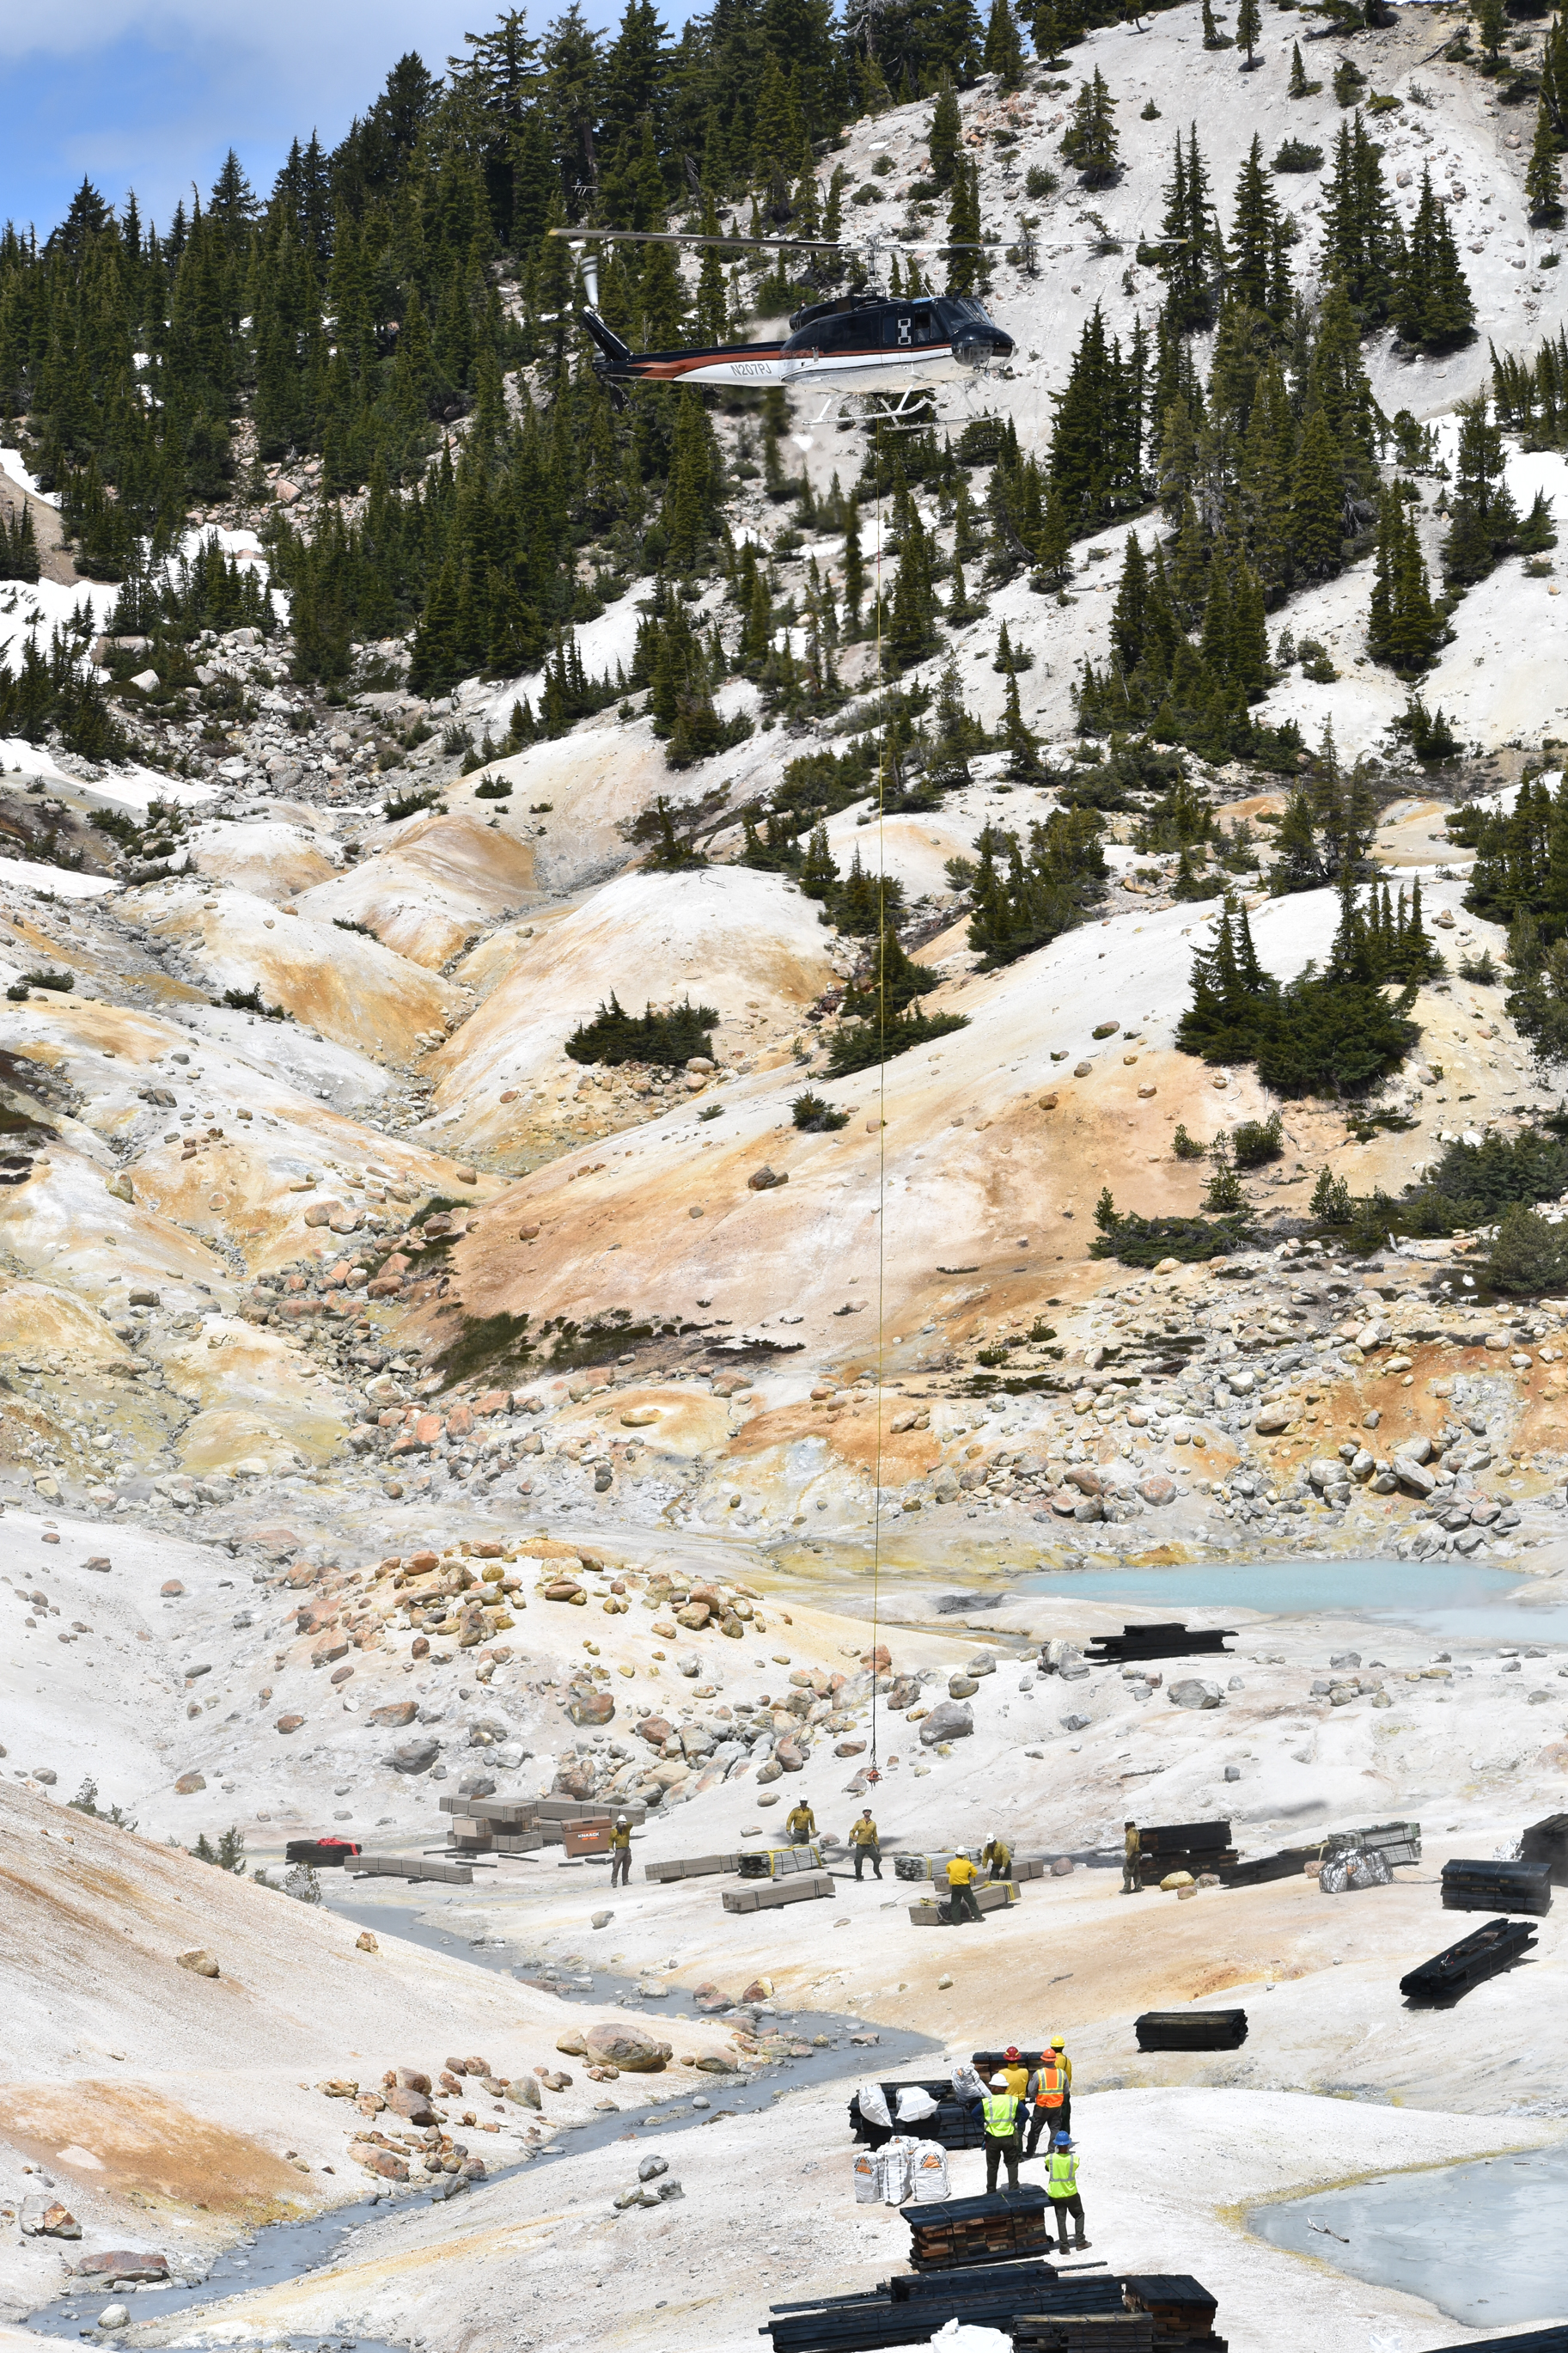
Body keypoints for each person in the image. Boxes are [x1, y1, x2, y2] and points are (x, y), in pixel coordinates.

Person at [1045, 2132, 1089, 2250]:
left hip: (1056, 2194)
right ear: (1068, 2145)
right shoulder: (1074, 2159)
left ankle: (1064, 2246)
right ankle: (1080, 2242)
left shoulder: (1050, 2158)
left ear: (1057, 2146)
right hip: (1071, 2193)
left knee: (1061, 2219)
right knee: (1079, 2215)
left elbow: (1047, 2168)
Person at [979, 2073, 1023, 2193]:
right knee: (1012, 2164)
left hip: (992, 2138)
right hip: (1008, 2137)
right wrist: (1018, 2124)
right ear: (1004, 2088)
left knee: (992, 2166)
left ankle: (991, 2190)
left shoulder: (987, 2101)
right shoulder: (1012, 2100)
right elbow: (1025, 2113)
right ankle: (1013, 2188)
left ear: (994, 2087)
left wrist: (983, 2124)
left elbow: (974, 2113)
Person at [1024, 2041, 1069, 2155]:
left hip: (1042, 2107)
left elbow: (1031, 2090)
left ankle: (1030, 2152)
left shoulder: (1039, 2074)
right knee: (1055, 2129)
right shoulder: (1062, 2073)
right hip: (1057, 2107)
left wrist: (1038, 2096)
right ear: (1054, 2060)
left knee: (1035, 2130)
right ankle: (1051, 2151)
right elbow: (1066, 2090)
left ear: (1043, 2060)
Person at [943, 1851, 984, 1925]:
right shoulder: (968, 1863)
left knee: (955, 1904)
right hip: (965, 1887)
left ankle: (957, 1921)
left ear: (956, 1855)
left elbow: (948, 1871)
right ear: (964, 1855)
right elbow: (975, 1872)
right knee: (972, 1901)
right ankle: (979, 1917)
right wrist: (969, 1875)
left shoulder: (951, 1863)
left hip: (955, 1887)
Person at [849, 1808, 882, 1879]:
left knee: (877, 1859)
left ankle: (877, 1872)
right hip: (860, 1846)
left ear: (871, 1812)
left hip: (869, 1846)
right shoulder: (859, 1822)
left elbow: (875, 1835)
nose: (867, 1812)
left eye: (869, 1811)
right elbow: (852, 1831)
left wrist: (877, 1844)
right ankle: (859, 1877)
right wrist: (850, 1839)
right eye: (866, 1811)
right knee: (858, 1862)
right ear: (863, 1812)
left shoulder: (873, 1823)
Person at [609, 1814, 632, 1888]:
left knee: (626, 1865)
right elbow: (610, 1840)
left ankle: (625, 1881)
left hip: (627, 1849)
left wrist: (624, 1824)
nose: (622, 1824)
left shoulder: (627, 1828)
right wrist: (610, 1848)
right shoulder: (614, 1831)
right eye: (621, 1822)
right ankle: (614, 1881)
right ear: (617, 1823)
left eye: (623, 1822)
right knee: (616, 1865)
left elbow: (631, 1824)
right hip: (619, 1850)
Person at [1122, 1818, 1143, 1895]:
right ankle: (1138, 1887)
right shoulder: (1134, 1830)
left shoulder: (1132, 1831)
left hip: (1133, 1854)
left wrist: (1129, 1855)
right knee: (1136, 1871)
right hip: (1136, 1854)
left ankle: (1127, 1888)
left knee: (1127, 1871)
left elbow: (1132, 1843)